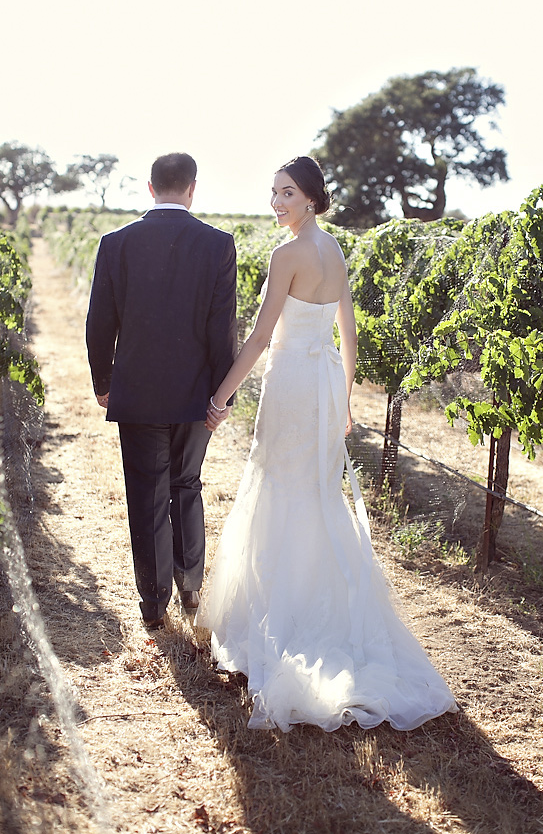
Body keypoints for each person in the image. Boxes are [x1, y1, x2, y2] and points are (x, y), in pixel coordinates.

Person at [196, 156, 457, 732]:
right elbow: (348, 327)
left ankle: (279, 616)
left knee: (280, 487)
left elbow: (263, 336)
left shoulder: (285, 255)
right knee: (313, 492)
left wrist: (219, 397)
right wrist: (342, 398)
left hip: (292, 382)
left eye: (287, 193)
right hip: (320, 383)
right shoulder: (335, 250)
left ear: (311, 197)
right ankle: (318, 602)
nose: (277, 203)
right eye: (273, 193)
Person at [86, 152, 237, 630]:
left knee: (146, 494)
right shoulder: (218, 245)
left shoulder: (116, 243)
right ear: (192, 189)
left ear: (150, 188)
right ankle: (191, 586)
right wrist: (221, 395)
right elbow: (222, 330)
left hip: (139, 393)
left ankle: (153, 604)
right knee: (187, 485)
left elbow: (99, 323)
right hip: (196, 395)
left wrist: (104, 380)